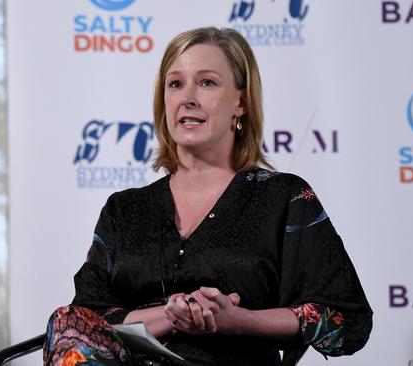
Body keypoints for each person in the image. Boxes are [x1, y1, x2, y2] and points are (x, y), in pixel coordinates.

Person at [43, 27, 373, 366]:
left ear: (240, 103)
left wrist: (238, 320)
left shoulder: (284, 198)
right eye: (175, 84)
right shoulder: (124, 210)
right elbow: (85, 318)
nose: (188, 97)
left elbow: (345, 318)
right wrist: (171, 315)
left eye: (207, 83)